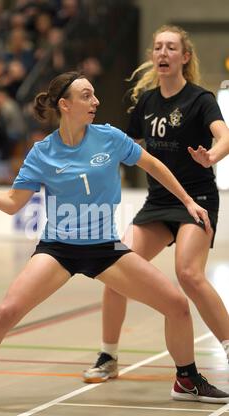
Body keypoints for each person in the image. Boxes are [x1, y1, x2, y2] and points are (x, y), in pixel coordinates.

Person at [0, 70, 229, 414]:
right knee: (5, 313)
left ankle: (186, 378)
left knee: (176, 305)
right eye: (86, 95)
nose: (96, 101)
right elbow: (13, 203)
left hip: (105, 249)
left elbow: (154, 165)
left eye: (94, 94)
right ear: (65, 104)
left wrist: (188, 201)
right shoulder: (42, 152)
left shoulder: (110, 137)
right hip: (59, 249)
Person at [83, 25, 229, 385]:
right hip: (158, 201)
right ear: (153, 56)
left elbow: (225, 137)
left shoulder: (200, 99)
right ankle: (108, 356)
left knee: (189, 275)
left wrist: (212, 156)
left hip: (196, 200)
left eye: (171, 47)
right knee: (116, 271)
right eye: (158, 47)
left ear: (185, 57)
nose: (163, 52)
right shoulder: (146, 102)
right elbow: (127, 150)